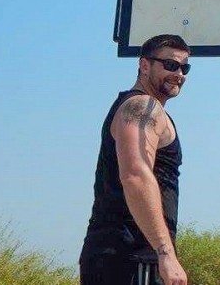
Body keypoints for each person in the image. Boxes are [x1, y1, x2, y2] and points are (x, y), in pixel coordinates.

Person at [80, 34, 190, 285]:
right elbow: (135, 176)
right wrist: (165, 252)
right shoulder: (142, 106)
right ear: (144, 65)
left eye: (185, 67)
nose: (179, 74)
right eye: (171, 65)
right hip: (131, 257)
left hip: (123, 256)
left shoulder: (145, 109)